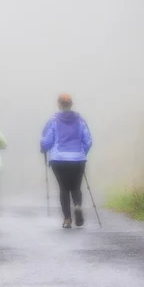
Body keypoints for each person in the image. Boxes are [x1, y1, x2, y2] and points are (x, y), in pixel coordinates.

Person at [40, 94, 92, 228]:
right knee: (76, 187)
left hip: (59, 159)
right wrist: (82, 153)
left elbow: (47, 140)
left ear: (59, 105)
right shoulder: (80, 120)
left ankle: (67, 219)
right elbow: (88, 140)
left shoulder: (53, 120)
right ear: (71, 104)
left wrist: (43, 147)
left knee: (64, 188)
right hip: (78, 159)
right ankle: (78, 206)